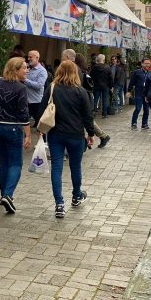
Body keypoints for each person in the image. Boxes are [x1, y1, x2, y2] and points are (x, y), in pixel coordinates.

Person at [41, 60, 94, 219]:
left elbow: (41, 109)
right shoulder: (81, 91)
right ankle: (77, 196)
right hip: (75, 135)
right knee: (75, 166)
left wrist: (41, 131)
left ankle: (59, 204)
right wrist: (90, 134)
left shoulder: (52, 88)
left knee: (56, 166)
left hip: (56, 134)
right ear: (75, 73)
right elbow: (87, 115)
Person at [0, 57, 32, 214]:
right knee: (16, 164)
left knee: (4, 162)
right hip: (13, 129)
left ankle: (4, 194)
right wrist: (28, 135)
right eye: (24, 68)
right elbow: (24, 114)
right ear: (16, 70)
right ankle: (8, 195)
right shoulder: (20, 88)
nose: (27, 70)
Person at [70, 51, 110, 148]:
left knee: (85, 119)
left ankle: (92, 140)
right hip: (88, 97)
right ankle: (103, 136)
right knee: (87, 119)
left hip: (83, 98)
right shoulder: (84, 71)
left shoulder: (78, 72)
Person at [24, 50, 48, 128]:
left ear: (37, 58)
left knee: (39, 126)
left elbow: (39, 86)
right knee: (25, 122)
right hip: (26, 100)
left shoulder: (42, 71)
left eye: (31, 57)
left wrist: (24, 80)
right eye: (28, 57)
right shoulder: (28, 68)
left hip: (36, 102)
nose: (28, 59)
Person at [128, 59, 151, 130]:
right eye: (146, 63)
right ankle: (134, 123)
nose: (147, 65)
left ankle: (144, 124)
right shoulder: (137, 72)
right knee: (138, 108)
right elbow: (132, 82)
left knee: (146, 110)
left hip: (147, 94)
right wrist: (129, 91)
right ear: (142, 64)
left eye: (148, 63)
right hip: (139, 93)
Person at [90, 54, 113, 119]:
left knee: (95, 100)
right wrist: (111, 86)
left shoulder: (94, 67)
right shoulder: (107, 67)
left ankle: (93, 113)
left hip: (96, 86)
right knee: (105, 100)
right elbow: (110, 78)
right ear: (104, 59)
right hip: (105, 86)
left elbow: (91, 76)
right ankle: (104, 114)